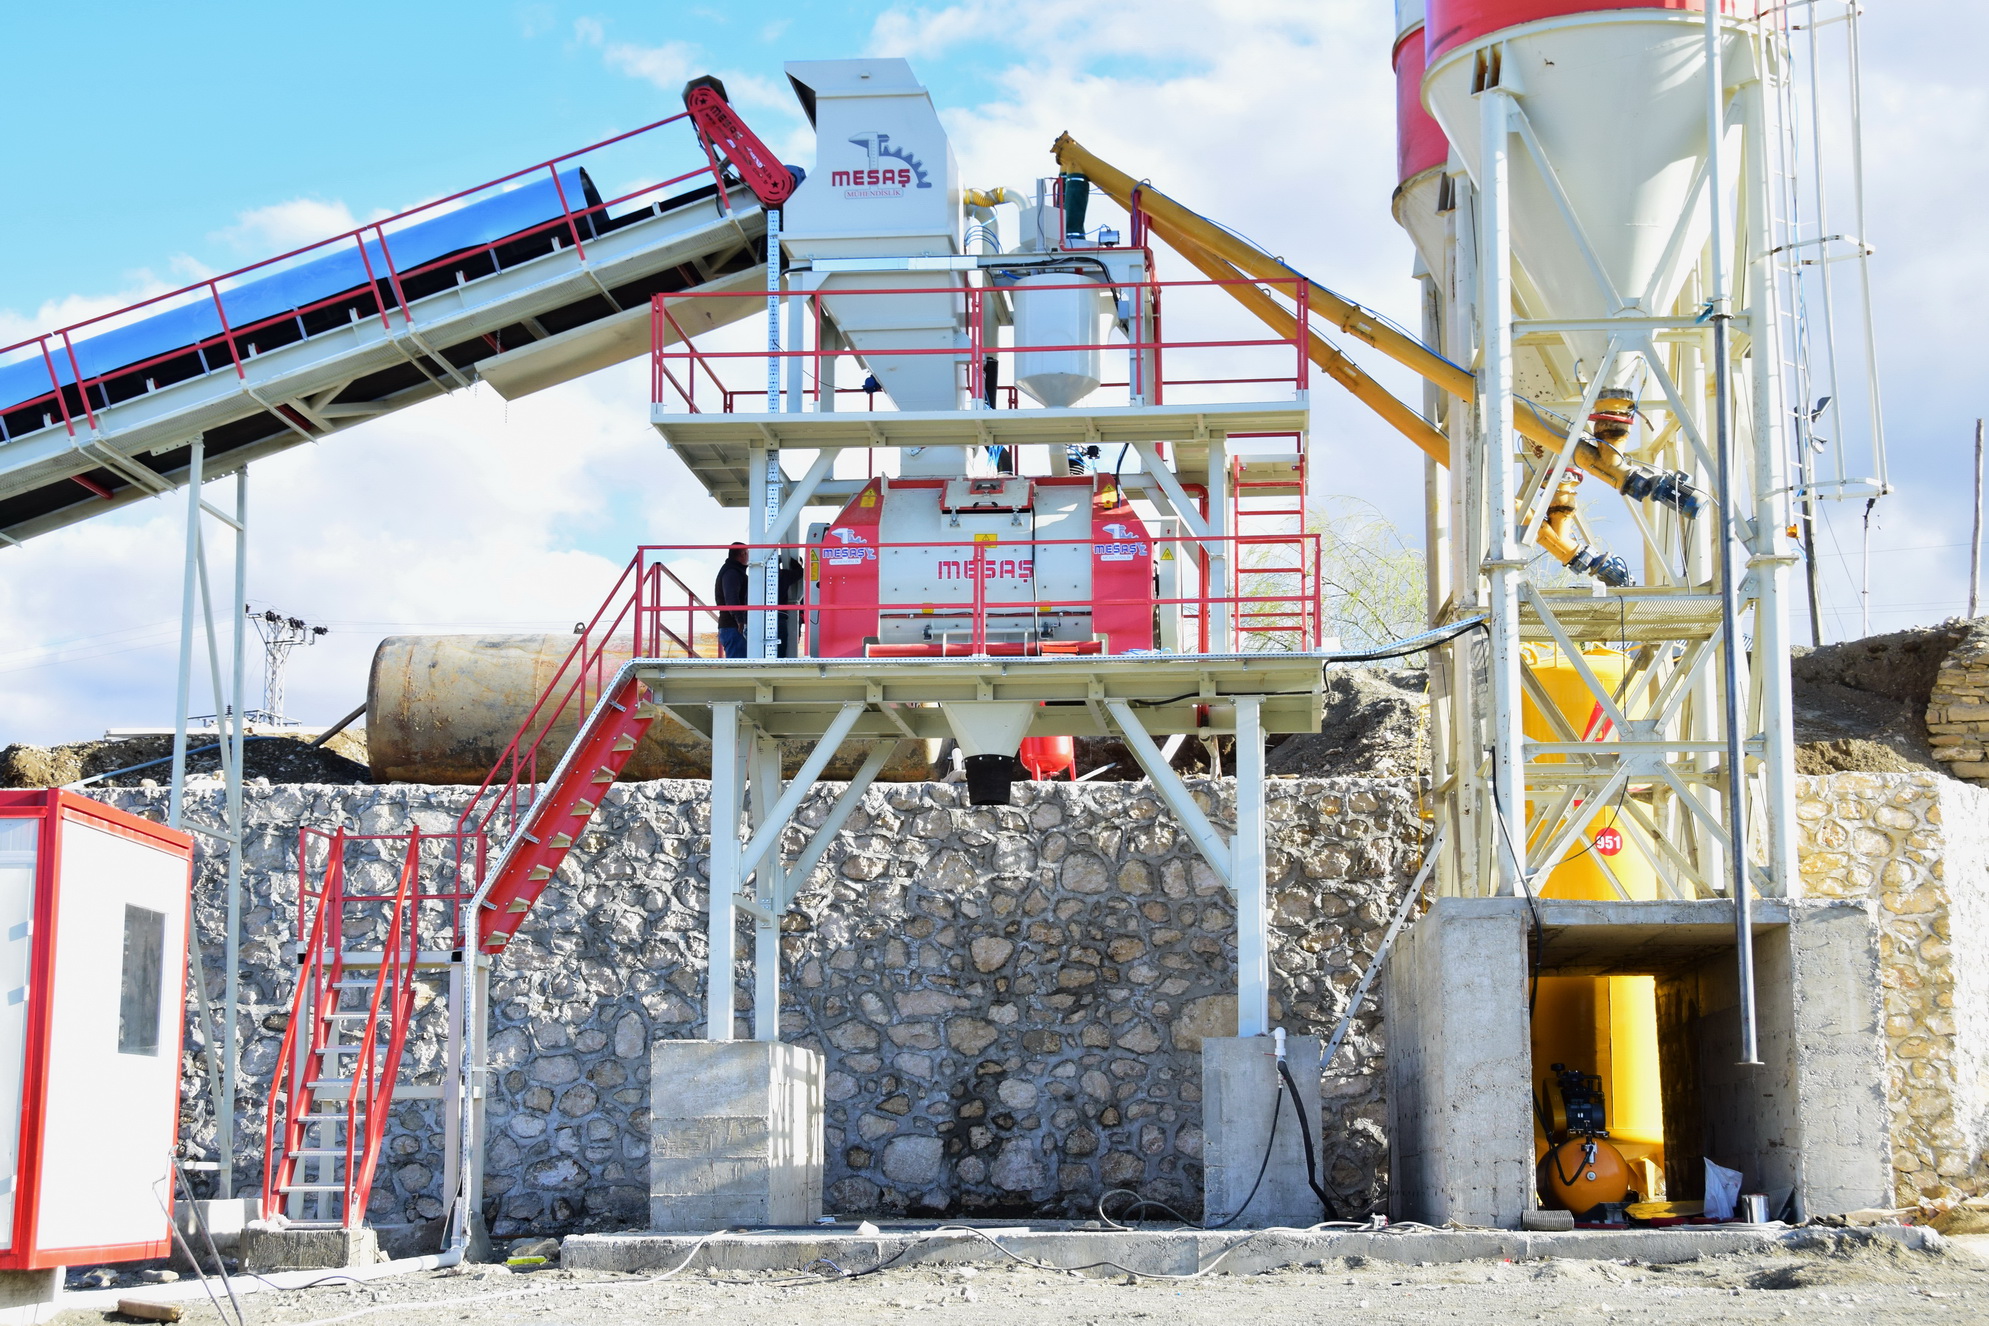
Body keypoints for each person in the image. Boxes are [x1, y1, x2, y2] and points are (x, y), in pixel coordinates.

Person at [714, 543, 748, 658]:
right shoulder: (732, 572)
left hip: (731, 627)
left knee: (740, 664)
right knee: (739, 665)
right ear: (743, 554)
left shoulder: (732, 571)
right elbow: (731, 597)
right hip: (733, 627)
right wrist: (740, 620)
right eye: (748, 553)